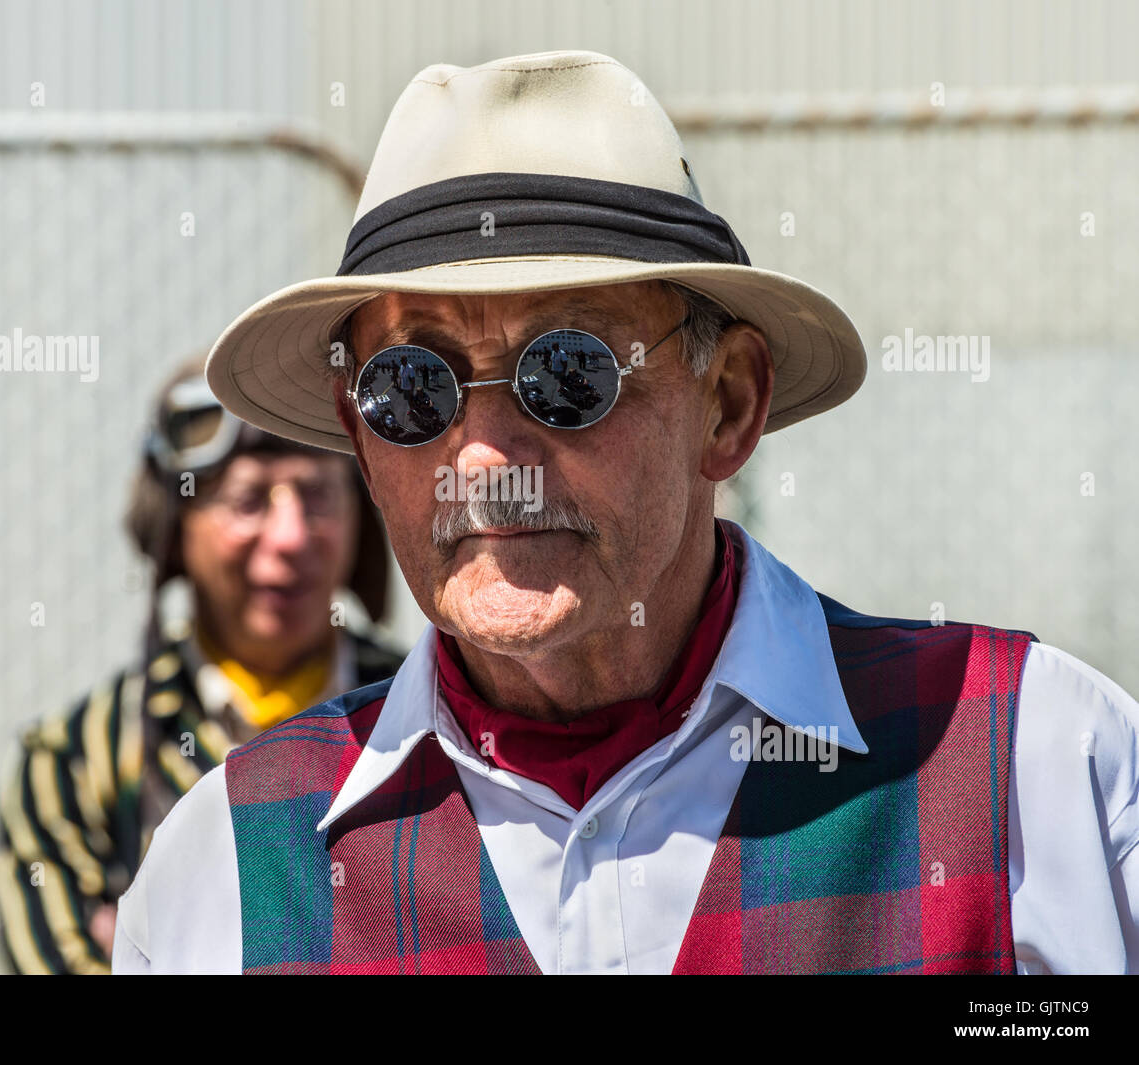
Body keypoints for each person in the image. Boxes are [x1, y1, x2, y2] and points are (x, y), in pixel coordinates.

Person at [114, 51, 1139, 975]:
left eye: (566, 371)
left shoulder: (1035, 764)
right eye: (411, 388)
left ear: (727, 407)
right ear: (362, 437)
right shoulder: (232, 870)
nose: (480, 456)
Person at [0, 356, 405, 974]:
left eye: (318, 495)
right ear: (175, 528)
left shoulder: (433, 714)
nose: (291, 536)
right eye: (248, 501)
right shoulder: (74, 764)